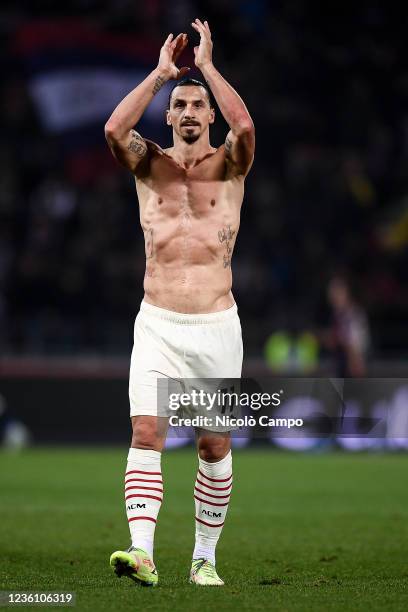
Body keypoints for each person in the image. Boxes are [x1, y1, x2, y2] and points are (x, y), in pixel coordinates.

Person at [105, 18, 255, 587]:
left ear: (208, 114)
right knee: (147, 433)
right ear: (168, 116)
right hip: (159, 324)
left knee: (213, 444)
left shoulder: (233, 165)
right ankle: (141, 552)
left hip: (216, 325)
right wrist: (161, 73)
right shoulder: (149, 165)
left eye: (198, 104)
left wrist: (209, 67)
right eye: (180, 104)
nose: (190, 111)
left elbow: (245, 122)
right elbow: (114, 130)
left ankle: (204, 559)